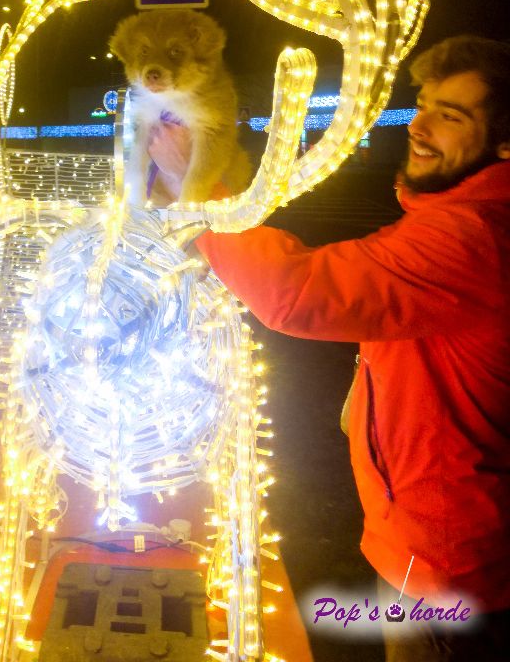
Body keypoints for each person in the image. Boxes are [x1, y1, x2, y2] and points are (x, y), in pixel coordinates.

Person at [148, 35, 510, 660]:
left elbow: (300, 291)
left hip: (451, 563)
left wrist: (195, 187)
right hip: (419, 534)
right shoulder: (454, 213)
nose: (419, 125)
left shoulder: (476, 235)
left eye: (452, 116)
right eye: (423, 103)